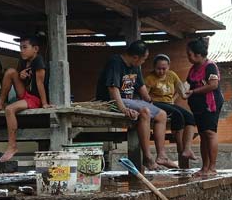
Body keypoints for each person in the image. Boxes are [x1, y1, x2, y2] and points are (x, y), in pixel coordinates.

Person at [96, 41, 177, 170]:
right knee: (144, 112)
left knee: (161, 114)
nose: (144, 62)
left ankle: (162, 156)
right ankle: (147, 157)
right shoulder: (115, 62)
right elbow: (113, 88)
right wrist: (123, 109)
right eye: (143, 59)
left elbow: (141, 87)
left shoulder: (135, 66)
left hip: (131, 100)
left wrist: (150, 101)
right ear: (135, 57)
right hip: (113, 100)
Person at [0, 35, 50, 162]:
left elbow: (40, 83)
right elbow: (25, 81)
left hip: (36, 99)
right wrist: (22, 76)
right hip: (26, 94)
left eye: (24, 47)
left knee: (10, 110)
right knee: (11, 72)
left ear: (35, 49)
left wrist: (44, 103)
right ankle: (0, 102)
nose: (21, 50)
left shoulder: (38, 61)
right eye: (20, 48)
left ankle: (12, 146)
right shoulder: (23, 61)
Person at [144, 54, 197, 163]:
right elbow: (145, 96)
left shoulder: (172, 75)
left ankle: (187, 148)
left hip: (169, 103)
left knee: (190, 117)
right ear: (154, 67)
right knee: (177, 114)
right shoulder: (149, 78)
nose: (161, 71)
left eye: (164, 68)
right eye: (159, 68)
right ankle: (180, 148)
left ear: (168, 67)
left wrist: (183, 93)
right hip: (155, 103)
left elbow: (181, 90)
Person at [183, 38, 224, 177]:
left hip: (210, 104)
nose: (188, 57)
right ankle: (204, 167)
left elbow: (213, 85)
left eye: (190, 54)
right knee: (202, 135)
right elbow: (187, 84)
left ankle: (212, 167)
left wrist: (194, 92)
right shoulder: (193, 69)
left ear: (198, 54)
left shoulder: (210, 66)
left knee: (210, 133)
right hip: (197, 106)